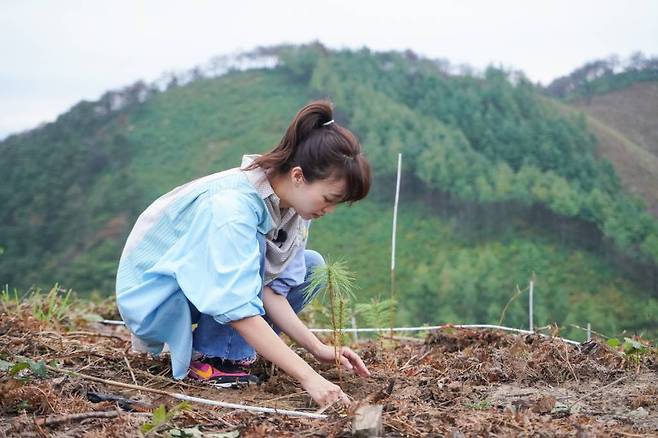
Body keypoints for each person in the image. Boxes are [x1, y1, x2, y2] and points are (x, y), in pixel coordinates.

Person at [115, 100, 372, 408]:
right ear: (299, 176)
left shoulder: (295, 208)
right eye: (329, 198)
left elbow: (270, 291)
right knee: (246, 276)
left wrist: (317, 348)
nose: (329, 210)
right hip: (156, 295)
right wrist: (309, 377)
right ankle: (214, 360)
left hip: (201, 286)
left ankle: (236, 352)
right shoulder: (234, 208)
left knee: (309, 267)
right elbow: (238, 301)